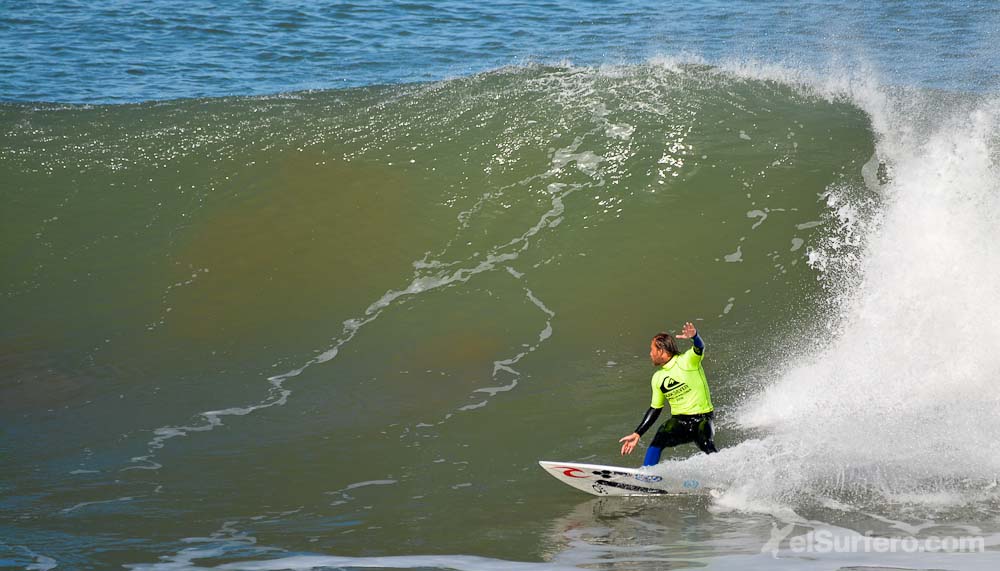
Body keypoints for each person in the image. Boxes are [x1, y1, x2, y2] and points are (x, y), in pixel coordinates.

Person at [618, 322, 717, 466]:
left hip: (702, 418)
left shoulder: (687, 360)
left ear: (661, 351)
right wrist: (637, 433)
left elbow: (699, 347)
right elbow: (655, 408)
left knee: (705, 441)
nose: (650, 354)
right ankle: (646, 474)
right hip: (679, 422)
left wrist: (695, 336)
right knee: (660, 436)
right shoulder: (658, 378)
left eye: (652, 350)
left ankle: (723, 471)